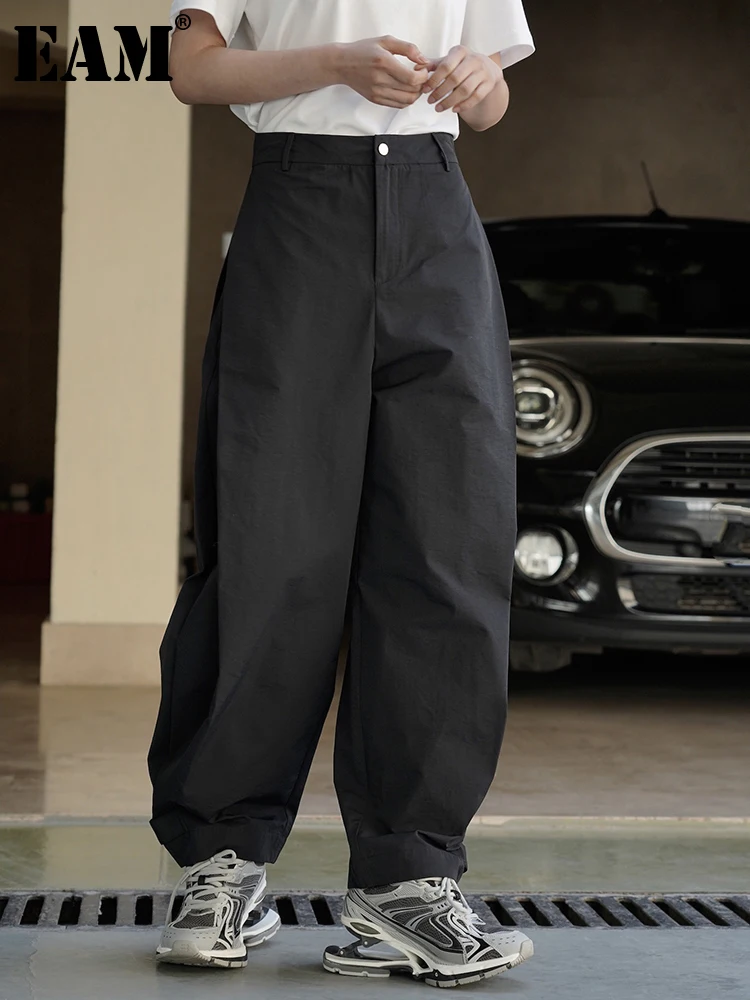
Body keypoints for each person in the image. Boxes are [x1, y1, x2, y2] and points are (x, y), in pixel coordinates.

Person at [149, 0, 535, 987]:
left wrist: (480, 84)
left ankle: (408, 877)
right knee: (271, 546)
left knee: (446, 547)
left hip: (436, 208)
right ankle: (222, 859)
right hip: (299, 205)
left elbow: (490, 97)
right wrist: (337, 64)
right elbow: (192, 68)